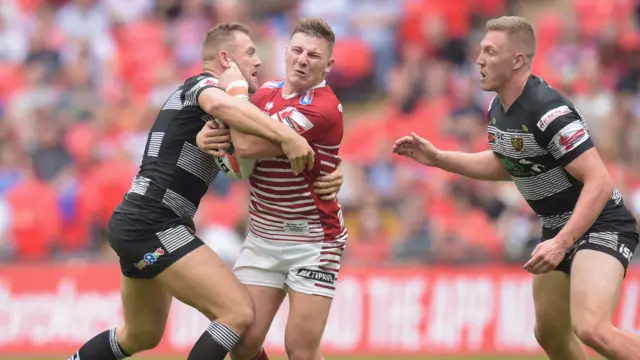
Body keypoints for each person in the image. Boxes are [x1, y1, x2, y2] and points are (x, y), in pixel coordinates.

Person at [393, 15, 640, 360]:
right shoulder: (499, 107)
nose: (479, 59)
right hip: (558, 226)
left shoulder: (547, 111)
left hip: (601, 223)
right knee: (551, 334)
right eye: (480, 50)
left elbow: (599, 180)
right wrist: (438, 158)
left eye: (490, 51)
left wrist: (561, 243)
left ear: (517, 60)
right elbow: (506, 163)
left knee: (592, 328)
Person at [68, 23, 318, 360]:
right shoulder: (203, 85)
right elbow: (224, 107)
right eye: (250, 53)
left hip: (140, 223)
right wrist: (289, 137)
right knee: (238, 312)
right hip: (154, 223)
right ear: (226, 59)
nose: (258, 61)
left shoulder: (220, 110)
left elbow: (239, 151)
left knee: (139, 335)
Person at [198, 18, 345, 360]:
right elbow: (230, 136)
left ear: (329, 64)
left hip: (312, 242)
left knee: (300, 349)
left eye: (313, 54)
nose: (303, 59)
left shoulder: (322, 108)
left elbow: (245, 146)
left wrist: (233, 100)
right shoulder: (265, 93)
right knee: (243, 342)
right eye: (297, 50)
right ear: (285, 52)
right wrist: (203, 136)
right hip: (263, 237)